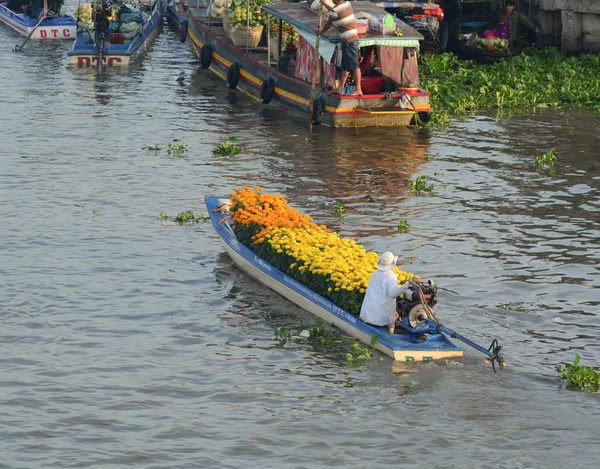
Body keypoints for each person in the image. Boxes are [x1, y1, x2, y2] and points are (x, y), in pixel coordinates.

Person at [359, 252, 421, 334]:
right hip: (380, 320)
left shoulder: (375, 274)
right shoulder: (391, 276)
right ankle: (390, 330)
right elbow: (393, 294)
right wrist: (408, 283)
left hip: (366, 316)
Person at [317, 0, 362, 96]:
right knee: (345, 66)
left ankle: (358, 89)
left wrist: (320, 32)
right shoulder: (347, 4)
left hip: (350, 41)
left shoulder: (335, 11)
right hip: (349, 41)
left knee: (354, 66)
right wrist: (325, 3)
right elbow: (334, 12)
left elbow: (328, 24)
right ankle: (340, 88)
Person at [469, 0, 540, 47]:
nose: (508, 8)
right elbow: (493, 22)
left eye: (510, 6)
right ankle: (474, 43)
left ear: (513, 7)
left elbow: (526, 21)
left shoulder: (517, 15)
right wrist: (490, 29)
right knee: (485, 33)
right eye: (507, 6)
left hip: (508, 37)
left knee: (500, 43)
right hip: (498, 33)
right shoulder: (501, 14)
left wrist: (534, 28)